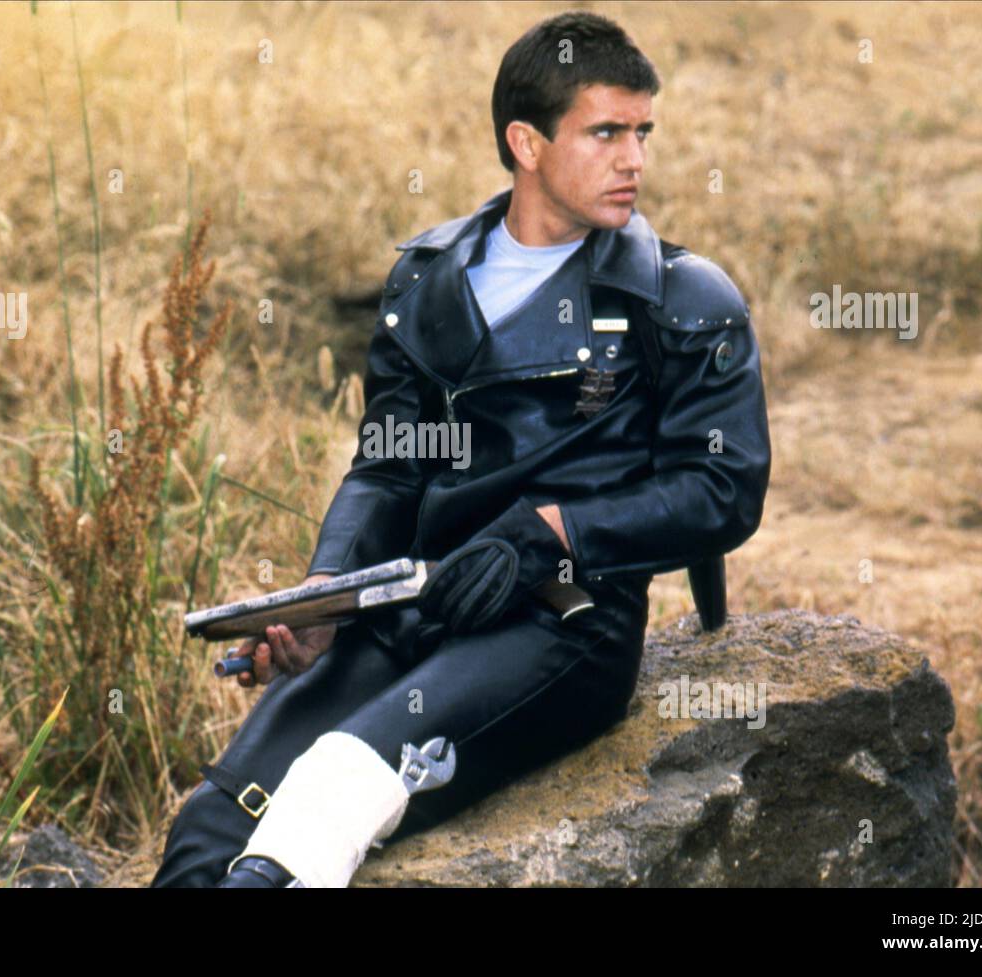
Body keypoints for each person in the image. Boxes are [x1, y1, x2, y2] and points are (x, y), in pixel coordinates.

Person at [152, 9, 771, 888]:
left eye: (643, 133)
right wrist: (329, 595)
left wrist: (556, 529)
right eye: (605, 133)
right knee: (212, 827)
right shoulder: (426, 278)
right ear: (525, 141)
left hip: (563, 618)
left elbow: (724, 489)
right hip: (413, 600)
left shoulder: (678, 296)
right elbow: (390, 465)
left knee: (324, 801)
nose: (634, 159)